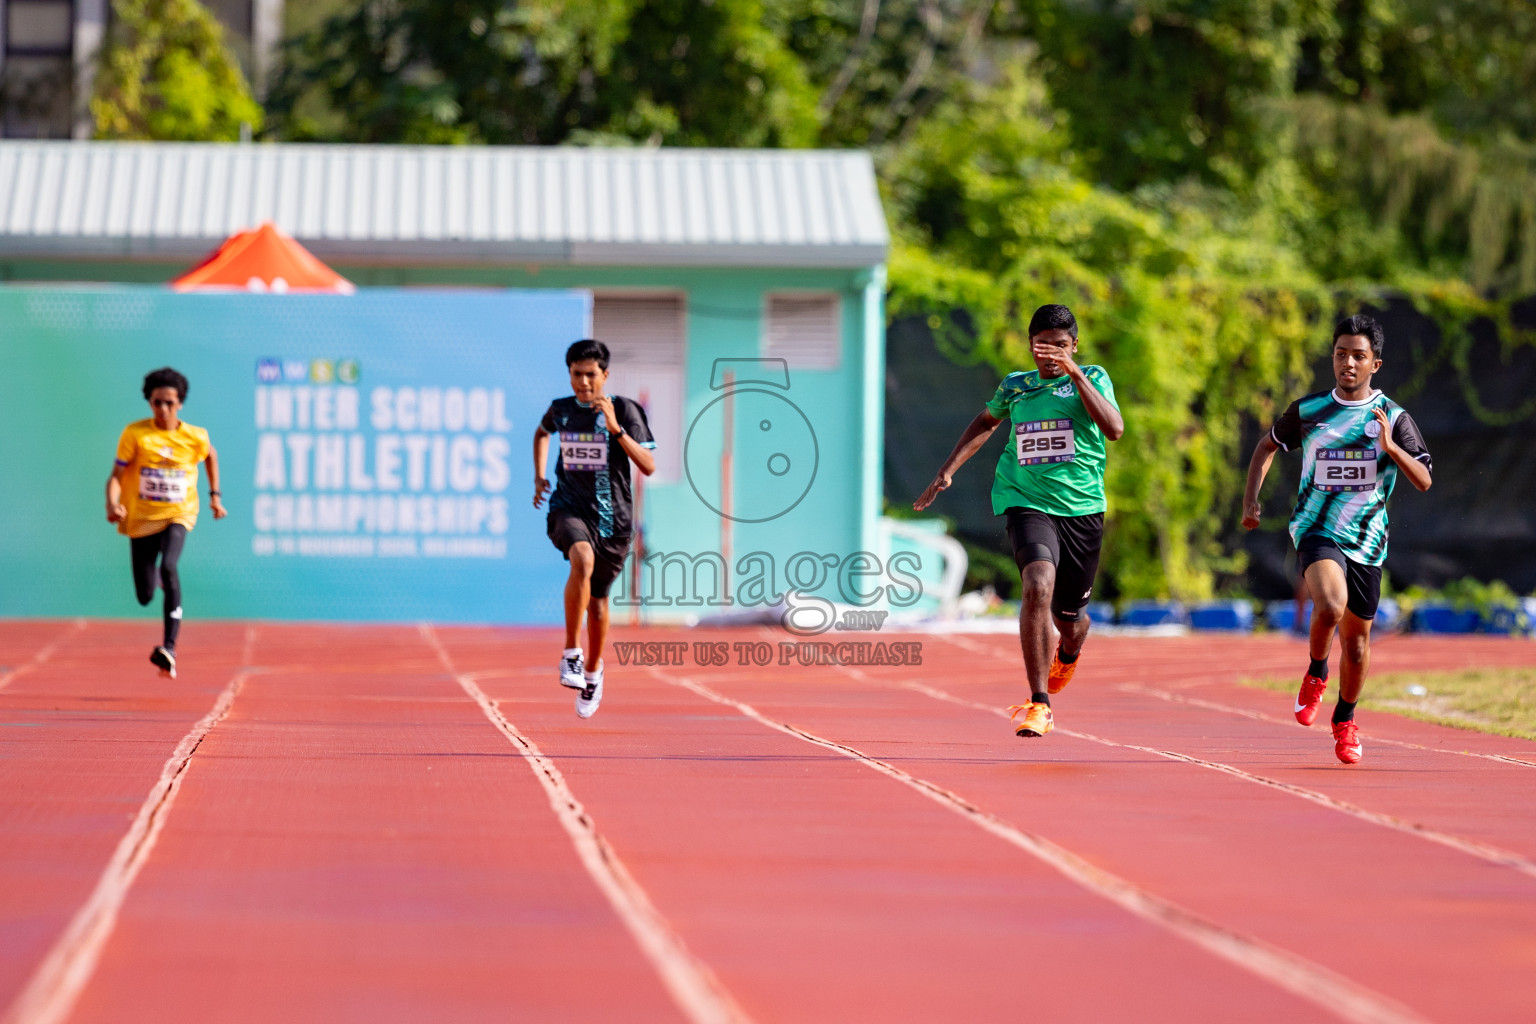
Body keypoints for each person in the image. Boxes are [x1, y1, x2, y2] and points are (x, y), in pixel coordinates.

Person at [915, 304, 1124, 738]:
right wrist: (947, 469)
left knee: (1071, 620)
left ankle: (1068, 651)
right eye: (1043, 346)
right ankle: (1039, 702)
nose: (1050, 355)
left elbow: (1115, 429)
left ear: (1074, 347)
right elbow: (986, 421)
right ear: (1031, 345)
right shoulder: (1016, 386)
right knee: (1036, 584)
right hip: (1025, 499)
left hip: (1082, 508)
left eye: (1061, 347)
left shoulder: (1093, 377)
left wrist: (1076, 374)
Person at [1242, 314, 1433, 764]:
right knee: (1328, 604)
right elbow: (1266, 447)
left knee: (1359, 643)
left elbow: (1424, 479)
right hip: (1315, 528)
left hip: (1367, 540)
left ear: (1375, 365)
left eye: (1358, 356)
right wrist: (1251, 499)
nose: (1348, 363)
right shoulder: (1308, 411)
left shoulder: (1395, 418)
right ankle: (1315, 672)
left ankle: (1345, 720)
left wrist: (1391, 448)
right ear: (1333, 357)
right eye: (1341, 354)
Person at [533, 339, 656, 719]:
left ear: (605, 375)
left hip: (613, 522)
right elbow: (541, 432)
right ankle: (571, 653)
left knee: (600, 605)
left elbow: (648, 465)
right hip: (568, 509)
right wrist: (539, 477)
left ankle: (594, 670)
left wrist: (617, 430)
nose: (583, 383)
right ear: (569, 373)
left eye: (590, 375)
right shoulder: (563, 410)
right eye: (576, 374)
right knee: (580, 558)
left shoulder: (625, 410)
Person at [106, 367, 226, 678]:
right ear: (149, 402)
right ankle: (158, 579)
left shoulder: (194, 436)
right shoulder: (135, 434)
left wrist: (214, 496)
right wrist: (112, 503)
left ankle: (169, 648)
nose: (163, 409)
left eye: (170, 403)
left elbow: (210, 455)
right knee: (145, 596)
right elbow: (116, 477)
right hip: (141, 519)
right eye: (157, 402)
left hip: (178, 514)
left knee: (170, 566)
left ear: (180, 403)